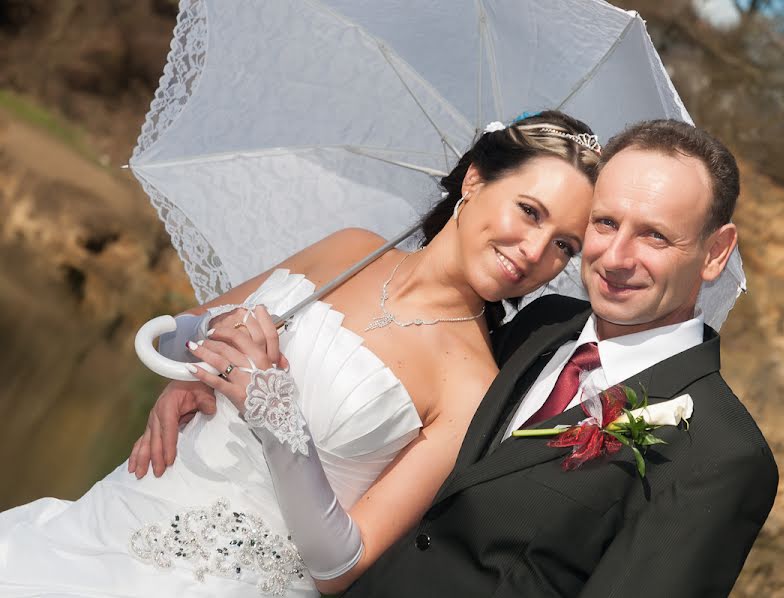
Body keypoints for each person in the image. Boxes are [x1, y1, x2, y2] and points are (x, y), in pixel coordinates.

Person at [0, 111, 603, 597]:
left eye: (563, 246)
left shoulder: (473, 388)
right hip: (121, 507)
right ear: (475, 179)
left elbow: (342, 565)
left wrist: (277, 415)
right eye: (529, 212)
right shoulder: (352, 249)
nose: (534, 252)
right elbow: (180, 331)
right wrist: (197, 366)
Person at [339, 119, 779, 597]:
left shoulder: (721, 454)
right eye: (606, 222)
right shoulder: (538, 323)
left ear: (715, 252)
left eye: (654, 236)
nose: (616, 258)